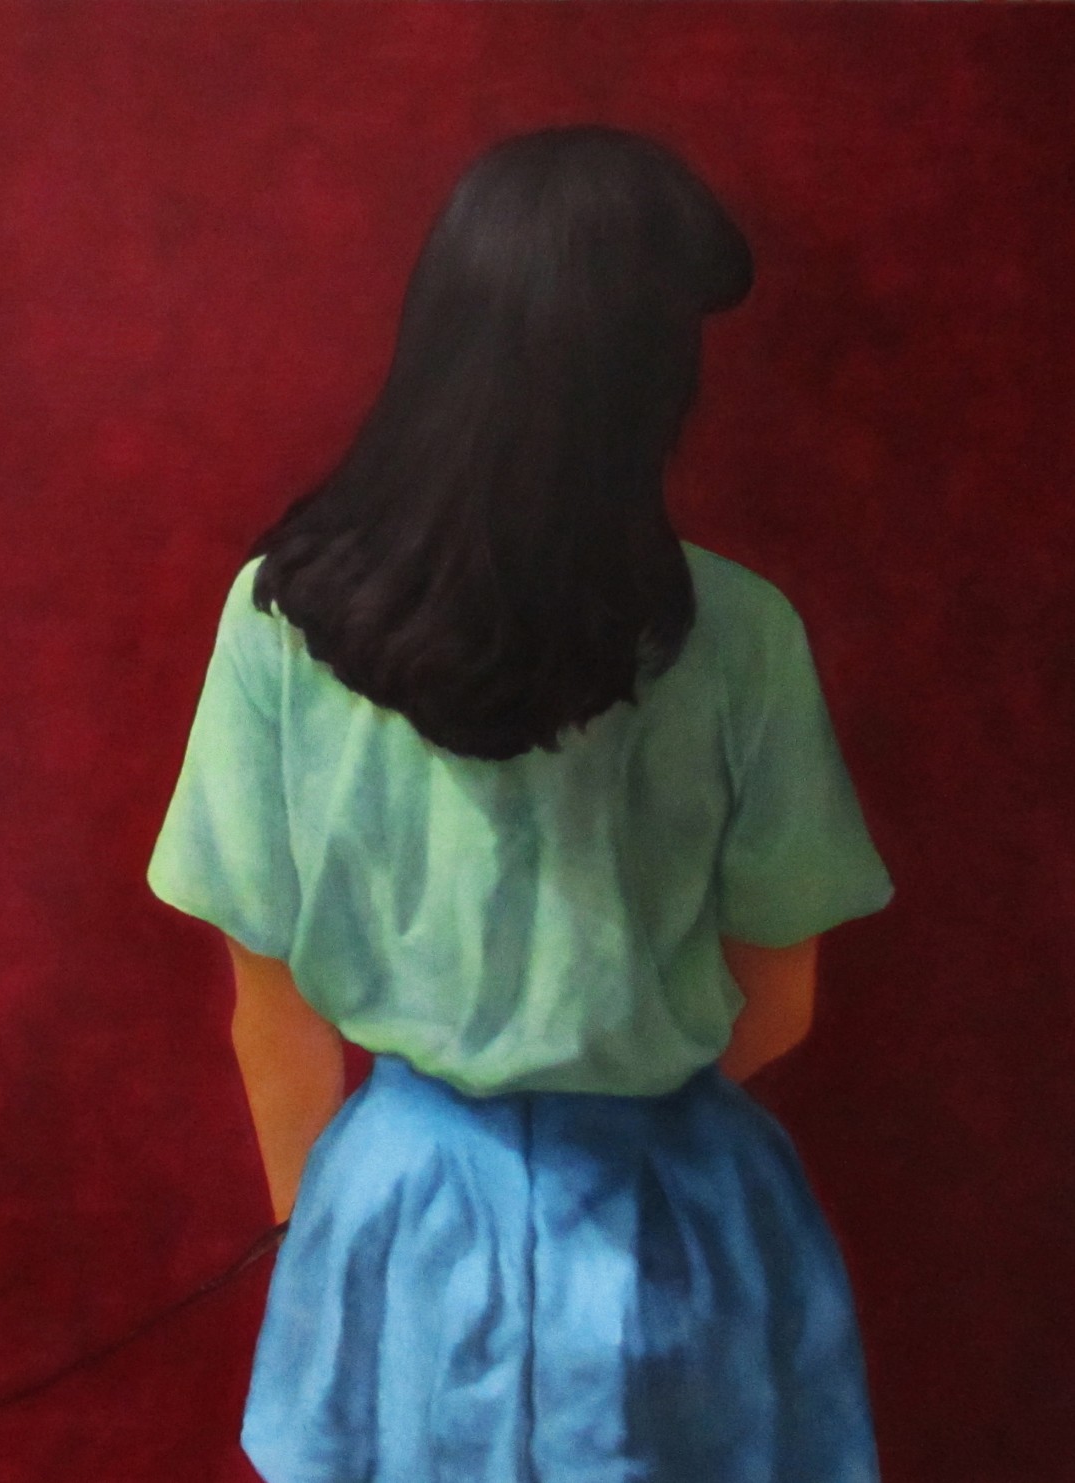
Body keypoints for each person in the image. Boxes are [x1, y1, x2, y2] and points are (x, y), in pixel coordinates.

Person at [147, 126, 893, 1483]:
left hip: (395, 1224)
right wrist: (601, 1102)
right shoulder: (741, 636)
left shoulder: (275, 623)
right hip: (679, 1231)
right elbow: (780, 999)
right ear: (641, 381)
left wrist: (342, 1239)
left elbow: (272, 1015)